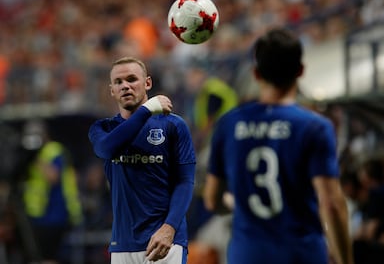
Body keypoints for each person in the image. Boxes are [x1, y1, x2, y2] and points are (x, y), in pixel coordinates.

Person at [203, 27, 353, 264]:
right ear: (301, 71)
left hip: (248, 255)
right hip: (301, 254)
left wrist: (239, 202)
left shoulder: (229, 124)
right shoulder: (314, 127)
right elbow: (331, 203)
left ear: (256, 74)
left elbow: (212, 200)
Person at [88, 56, 196, 264]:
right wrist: (147, 110)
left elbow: (185, 181)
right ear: (112, 90)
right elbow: (107, 149)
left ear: (147, 83)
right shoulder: (103, 129)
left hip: (165, 241)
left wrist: (169, 228)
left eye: (131, 79)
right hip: (123, 244)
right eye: (118, 82)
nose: (125, 86)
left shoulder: (173, 125)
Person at [21, 119, 83, 264]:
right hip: (35, 214)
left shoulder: (54, 150)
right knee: (35, 257)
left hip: (53, 215)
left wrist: (35, 157)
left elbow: (53, 176)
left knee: (48, 258)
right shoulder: (26, 154)